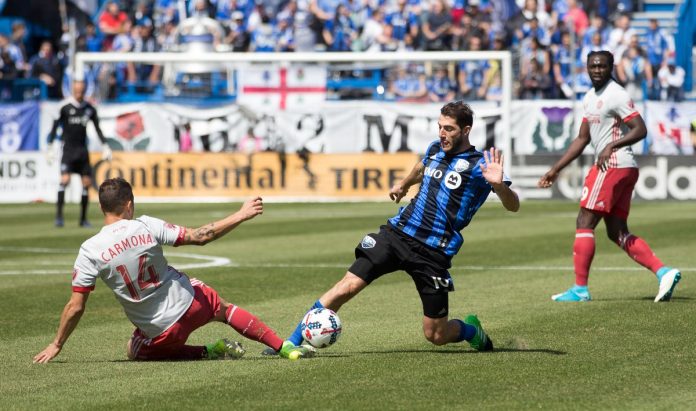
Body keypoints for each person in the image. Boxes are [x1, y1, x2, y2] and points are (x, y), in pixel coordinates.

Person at [277, 101, 520, 354]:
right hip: (397, 235)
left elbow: (513, 206)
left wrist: (500, 186)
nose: (441, 134)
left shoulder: (480, 165)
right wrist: (403, 185)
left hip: (433, 252)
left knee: (435, 334)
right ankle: (290, 342)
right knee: (347, 285)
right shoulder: (436, 148)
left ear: (466, 130)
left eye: (449, 129)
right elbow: (421, 167)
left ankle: (471, 330)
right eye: (439, 127)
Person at [33, 177, 313, 363]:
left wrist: (57, 344)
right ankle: (283, 347)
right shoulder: (144, 225)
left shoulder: (89, 250)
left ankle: (209, 351)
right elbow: (201, 236)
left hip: (161, 332)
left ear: (101, 207)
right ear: (129, 204)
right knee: (224, 310)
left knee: (134, 350)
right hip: (192, 303)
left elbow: (75, 306)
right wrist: (241, 214)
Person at [537, 50, 681, 303]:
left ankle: (580, 289)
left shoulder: (616, 95)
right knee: (616, 232)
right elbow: (582, 138)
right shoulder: (591, 97)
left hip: (612, 165)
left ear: (611, 67)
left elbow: (640, 129)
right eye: (592, 66)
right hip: (621, 166)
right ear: (586, 67)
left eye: (602, 66)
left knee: (585, 220)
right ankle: (664, 272)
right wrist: (556, 168)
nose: (596, 70)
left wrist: (611, 146)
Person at [47, 81, 111, 228]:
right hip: (68, 150)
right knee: (64, 180)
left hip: (82, 151)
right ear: (72, 90)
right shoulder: (64, 107)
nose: (79, 94)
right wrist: (50, 146)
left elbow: (97, 128)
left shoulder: (89, 109)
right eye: (77, 91)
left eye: (81, 91)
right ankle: (59, 217)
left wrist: (105, 146)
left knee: (86, 183)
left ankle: (83, 219)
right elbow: (54, 127)